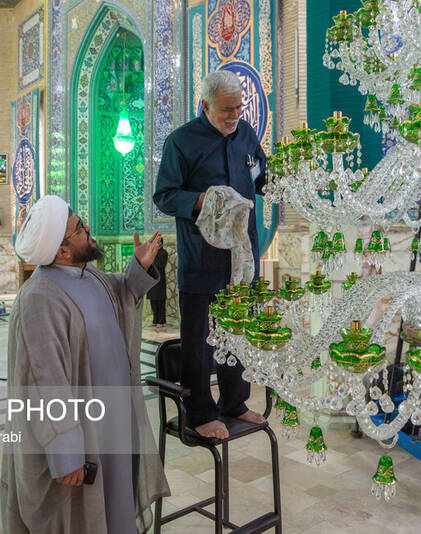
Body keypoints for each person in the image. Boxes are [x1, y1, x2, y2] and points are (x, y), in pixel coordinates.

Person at [1, 195, 170, 534]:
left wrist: (138, 268)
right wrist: (64, 450)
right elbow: (44, 379)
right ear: (61, 251)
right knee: (82, 516)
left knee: (115, 503)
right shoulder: (40, 298)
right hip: (84, 433)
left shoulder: (88, 275)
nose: (88, 228)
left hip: (112, 425)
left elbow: (122, 296)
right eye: (79, 228)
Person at [153, 70, 267, 440]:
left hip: (241, 259)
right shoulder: (181, 142)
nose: (234, 117)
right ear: (204, 106)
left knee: (237, 335)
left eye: (238, 109)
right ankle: (199, 412)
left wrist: (292, 179)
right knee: (200, 342)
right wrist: (202, 199)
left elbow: (263, 176)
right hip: (201, 260)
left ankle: (235, 402)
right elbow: (165, 196)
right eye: (226, 111)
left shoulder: (246, 134)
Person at [147, 237, 169, 328]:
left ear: (161, 244)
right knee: (153, 300)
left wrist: (154, 254)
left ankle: (161, 321)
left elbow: (160, 264)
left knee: (160, 300)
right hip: (151, 278)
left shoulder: (164, 253)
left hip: (159, 279)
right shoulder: (151, 253)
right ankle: (155, 320)